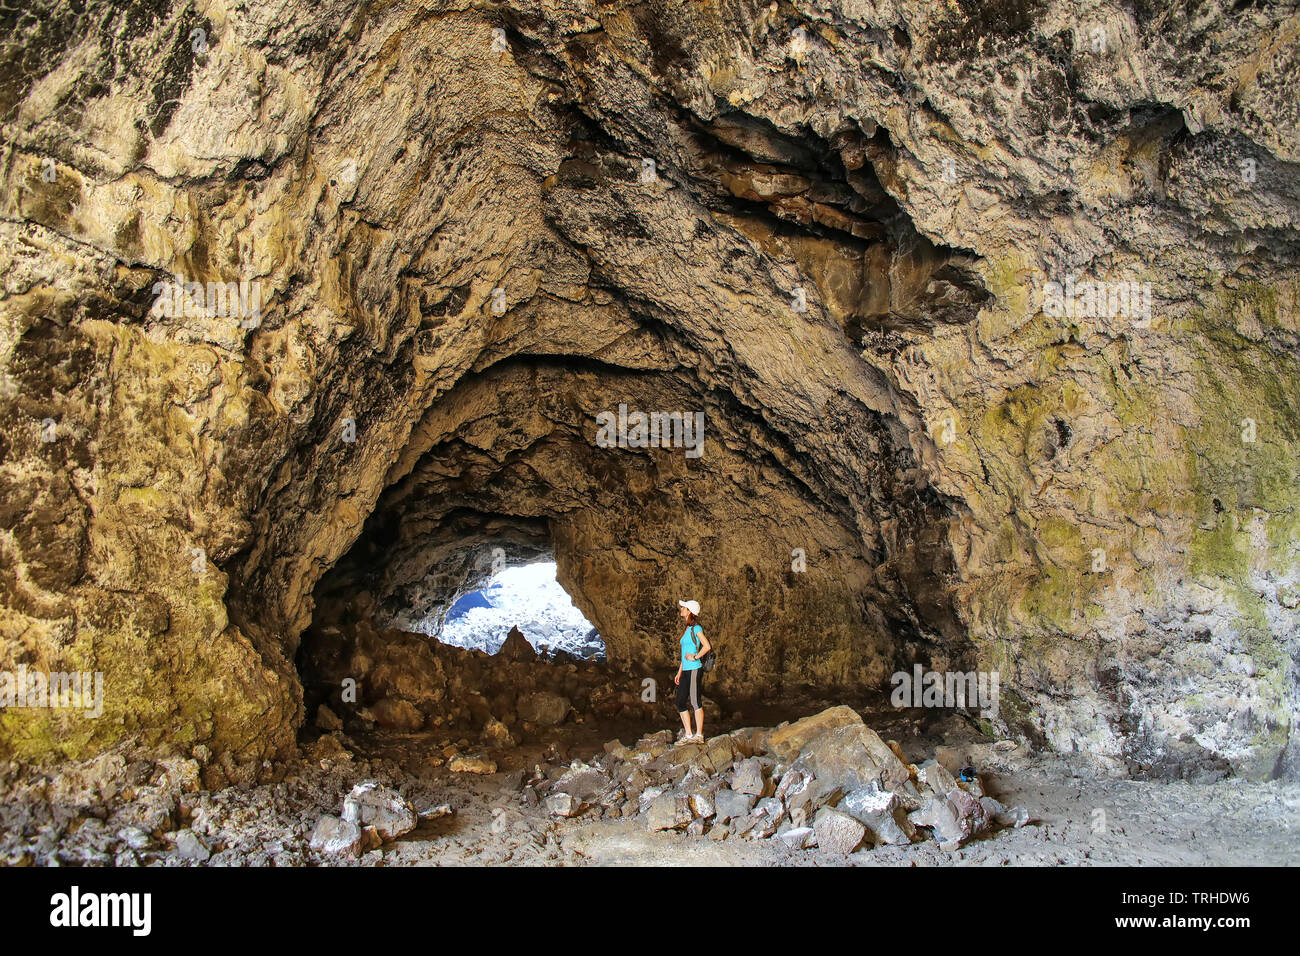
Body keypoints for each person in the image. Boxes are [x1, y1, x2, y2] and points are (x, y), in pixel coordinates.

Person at [673, 599, 711, 743]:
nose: (681, 609)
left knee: (695, 701)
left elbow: (706, 646)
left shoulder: (696, 628)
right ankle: (689, 734)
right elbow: (684, 653)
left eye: (683, 607)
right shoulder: (687, 629)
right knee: (680, 701)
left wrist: (695, 656)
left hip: (695, 669)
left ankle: (699, 736)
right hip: (686, 670)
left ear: (689, 611)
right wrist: (679, 671)